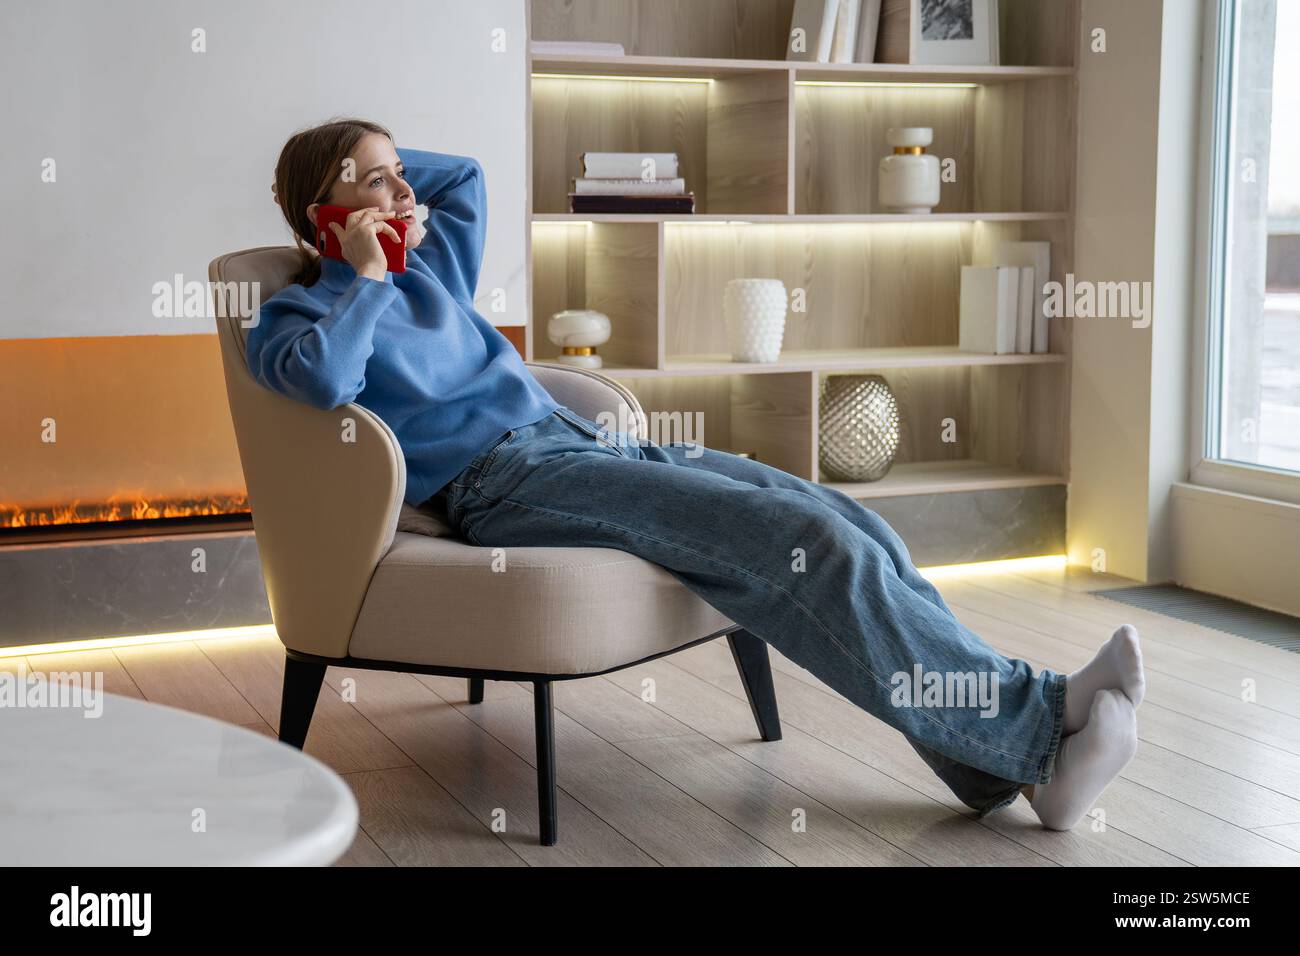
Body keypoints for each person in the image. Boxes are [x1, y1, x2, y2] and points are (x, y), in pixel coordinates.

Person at [250, 117, 1144, 831]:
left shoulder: (429, 271)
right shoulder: (298, 312)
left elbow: (465, 178)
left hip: (582, 444)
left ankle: (1003, 768)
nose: (406, 192)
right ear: (318, 213)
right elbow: (326, 382)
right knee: (809, 543)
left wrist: (376, 165)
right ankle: (1040, 732)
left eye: (400, 172)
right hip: (507, 482)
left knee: (848, 520)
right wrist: (357, 263)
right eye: (377, 181)